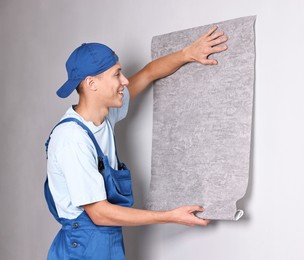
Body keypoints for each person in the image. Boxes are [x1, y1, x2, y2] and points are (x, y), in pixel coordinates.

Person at [44, 26, 228, 259]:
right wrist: (169, 216)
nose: (125, 80)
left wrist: (188, 54)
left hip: (105, 241)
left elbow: (149, 72)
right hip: (82, 247)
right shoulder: (72, 139)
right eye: (116, 74)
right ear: (92, 84)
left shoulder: (105, 116)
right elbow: (99, 214)